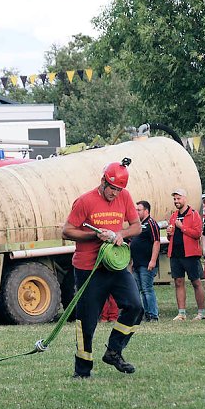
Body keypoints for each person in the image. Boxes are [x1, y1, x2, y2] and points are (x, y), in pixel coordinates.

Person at [62, 160, 143, 378]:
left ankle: (114, 351)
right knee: (87, 321)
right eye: (112, 188)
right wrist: (93, 235)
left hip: (114, 265)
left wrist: (120, 234)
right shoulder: (85, 201)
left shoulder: (124, 197)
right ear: (103, 182)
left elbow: (136, 226)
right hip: (89, 268)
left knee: (135, 306)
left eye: (119, 190)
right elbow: (67, 231)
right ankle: (82, 371)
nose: (115, 194)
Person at [167, 188, 205, 320]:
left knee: (196, 282)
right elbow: (169, 237)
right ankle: (181, 313)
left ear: (185, 199)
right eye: (174, 199)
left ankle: (201, 312)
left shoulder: (194, 215)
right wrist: (169, 233)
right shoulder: (173, 215)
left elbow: (197, 234)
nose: (176, 201)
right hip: (175, 254)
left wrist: (181, 227)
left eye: (178, 198)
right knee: (178, 282)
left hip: (190, 254)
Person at [129, 200, 160, 321]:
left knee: (147, 289)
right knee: (141, 289)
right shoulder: (137, 225)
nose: (136, 212)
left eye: (139, 210)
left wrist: (153, 260)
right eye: (136, 210)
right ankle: (147, 314)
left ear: (146, 211)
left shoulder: (151, 223)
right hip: (137, 263)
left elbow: (156, 242)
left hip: (146, 263)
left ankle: (153, 314)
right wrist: (132, 261)